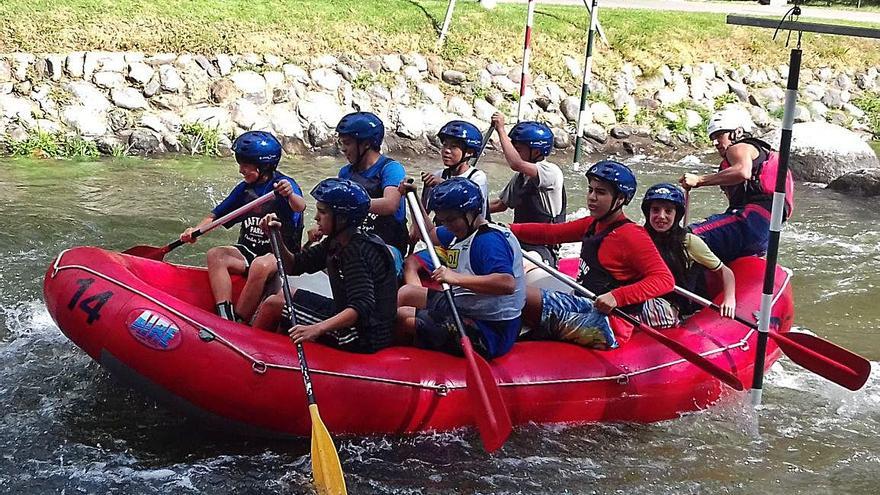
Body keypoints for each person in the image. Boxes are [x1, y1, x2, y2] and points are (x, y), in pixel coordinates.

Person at [509, 160, 674, 348]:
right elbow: (552, 233)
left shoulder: (631, 235)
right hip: (583, 301)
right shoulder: (593, 224)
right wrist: (509, 229)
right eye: (591, 190)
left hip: (607, 323)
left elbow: (664, 279)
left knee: (514, 292)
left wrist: (617, 296)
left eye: (601, 192)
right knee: (517, 280)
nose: (592, 197)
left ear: (620, 199)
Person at [252, 178, 397, 354]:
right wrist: (275, 236)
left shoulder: (356, 251)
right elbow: (294, 266)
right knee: (286, 294)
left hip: (362, 334)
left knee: (274, 304)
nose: (316, 217)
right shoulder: (338, 241)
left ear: (342, 219)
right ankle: (276, 351)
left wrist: (317, 328)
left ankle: (252, 352)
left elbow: (361, 306)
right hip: (353, 319)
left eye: (322, 212)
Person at [179, 131, 305, 322]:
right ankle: (224, 314)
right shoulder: (244, 190)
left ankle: (240, 320)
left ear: (264, 166)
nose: (240, 170)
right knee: (215, 254)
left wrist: (289, 194)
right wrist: (194, 231)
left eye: (245, 165)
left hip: (279, 254)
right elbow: (216, 216)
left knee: (260, 266)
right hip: (249, 250)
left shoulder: (283, 186)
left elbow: (300, 206)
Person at [397, 178, 525, 360]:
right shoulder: (463, 230)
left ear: (472, 212)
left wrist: (455, 278)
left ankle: (401, 361)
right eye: (443, 220)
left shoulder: (488, 241)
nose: (447, 225)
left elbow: (507, 283)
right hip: (466, 307)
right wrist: (414, 198)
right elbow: (430, 234)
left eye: (451, 219)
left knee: (404, 316)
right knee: (407, 292)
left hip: (491, 330)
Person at [679, 108, 795, 263]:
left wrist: (699, 180)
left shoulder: (739, 148)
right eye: (712, 138)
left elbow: (742, 172)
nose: (715, 143)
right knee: (706, 260)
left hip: (749, 222)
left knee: (682, 238)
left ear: (737, 133)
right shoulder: (757, 156)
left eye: (719, 135)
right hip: (764, 236)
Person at [312, 112, 408, 265]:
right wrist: (322, 226)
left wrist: (351, 204)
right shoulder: (345, 172)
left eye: (348, 143)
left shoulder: (391, 169)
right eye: (342, 143)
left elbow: (390, 205)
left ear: (366, 144)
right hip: (355, 242)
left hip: (386, 244)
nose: (343, 149)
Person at [640, 183, 737, 328]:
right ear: (648, 213)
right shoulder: (638, 237)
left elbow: (725, 271)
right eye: (655, 210)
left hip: (677, 306)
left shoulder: (689, 242)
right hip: (644, 296)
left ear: (676, 215)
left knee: (651, 309)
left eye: (668, 211)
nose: (661, 216)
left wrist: (729, 299)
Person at [488, 113, 566, 266]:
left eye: (518, 149)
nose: (515, 152)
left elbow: (515, 163)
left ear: (536, 152)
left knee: (519, 265)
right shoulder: (520, 178)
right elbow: (500, 205)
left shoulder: (550, 171)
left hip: (541, 249)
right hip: (518, 240)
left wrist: (501, 131)